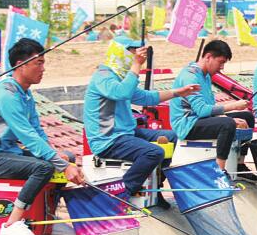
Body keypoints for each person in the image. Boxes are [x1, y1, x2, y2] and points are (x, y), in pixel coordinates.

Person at [0, 38, 84, 235]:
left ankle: (47, 218)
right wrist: (61, 164)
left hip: (6, 153)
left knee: (67, 157)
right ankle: (11, 224)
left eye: (43, 63)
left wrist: (59, 157)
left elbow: (37, 130)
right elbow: (27, 136)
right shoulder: (6, 94)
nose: (43, 69)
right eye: (39, 63)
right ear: (21, 65)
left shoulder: (25, 94)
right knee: (44, 168)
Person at [84, 38, 199, 200]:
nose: (138, 57)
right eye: (134, 52)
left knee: (172, 137)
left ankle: (156, 186)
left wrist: (178, 92)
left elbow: (146, 97)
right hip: (108, 139)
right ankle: (122, 194)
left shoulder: (120, 78)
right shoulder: (103, 76)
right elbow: (121, 93)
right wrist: (137, 65)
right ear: (121, 52)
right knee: (153, 152)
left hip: (126, 134)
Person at [170, 40, 253, 171]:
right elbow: (202, 110)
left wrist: (226, 116)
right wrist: (232, 107)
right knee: (227, 124)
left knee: (247, 116)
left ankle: (240, 165)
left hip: (200, 119)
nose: (222, 67)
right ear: (208, 57)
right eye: (221, 62)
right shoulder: (190, 77)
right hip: (187, 124)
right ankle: (219, 171)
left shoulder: (206, 76)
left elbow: (210, 106)